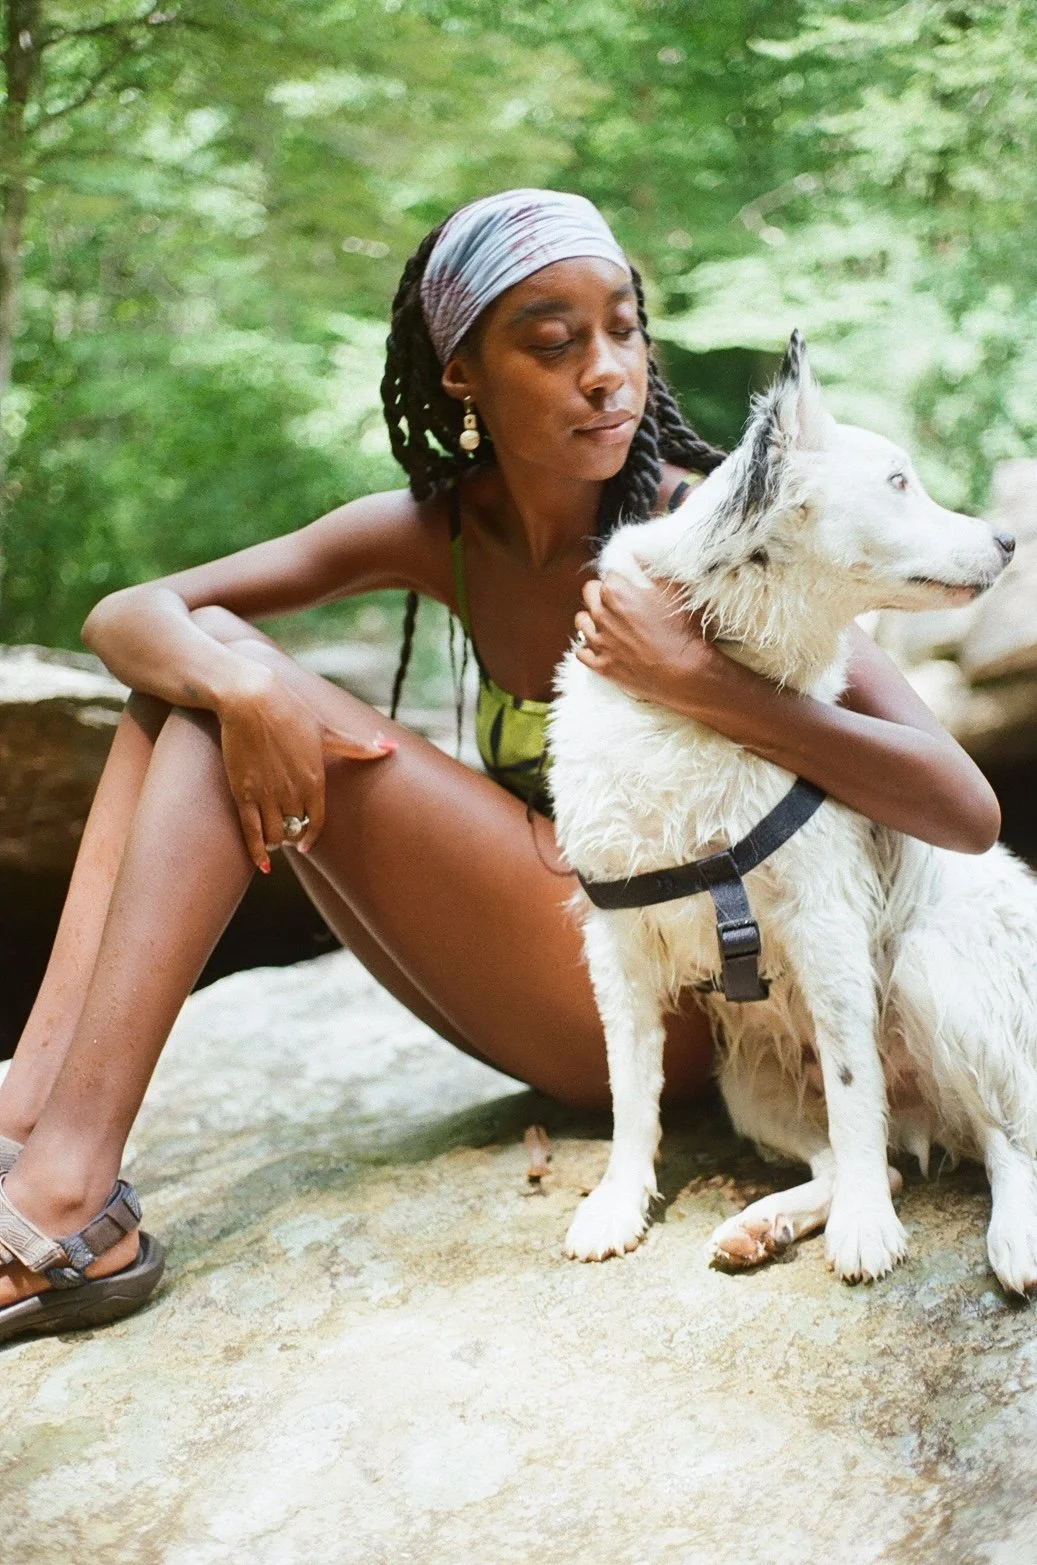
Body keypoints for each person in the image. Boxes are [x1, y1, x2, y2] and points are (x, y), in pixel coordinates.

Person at [0, 188, 1001, 1339]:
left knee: (219, 680)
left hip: (673, 997)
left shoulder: (708, 533)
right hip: (533, 948)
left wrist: (700, 683)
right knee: (194, 679)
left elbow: (961, 808)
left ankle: (69, 1202)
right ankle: (32, 1126)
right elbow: (132, 611)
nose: (604, 370)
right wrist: (242, 687)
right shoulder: (439, 529)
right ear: (462, 373)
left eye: (623, 328)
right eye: (551, 340)